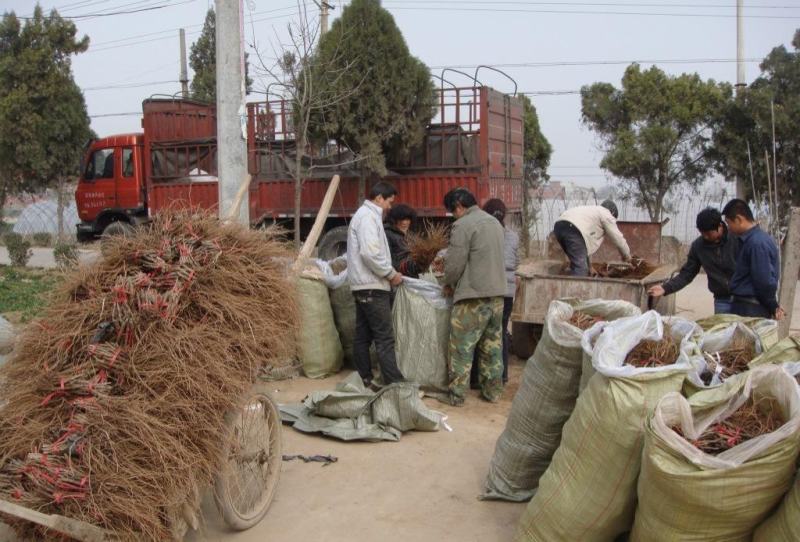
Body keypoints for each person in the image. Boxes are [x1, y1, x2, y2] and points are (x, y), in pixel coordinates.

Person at [442, 188, 507, 405]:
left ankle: (457, 396)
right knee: (492, 347)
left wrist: (448, 284)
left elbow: (454, 264)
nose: (454, 216)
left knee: (461, 347)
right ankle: (493, 392)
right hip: (497, 295)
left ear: (459, 206)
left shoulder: (463, 225)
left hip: (472, 296)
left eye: (453, 212)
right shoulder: (494, 223)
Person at [347, 181, 406, 388]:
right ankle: (395, 384)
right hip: (372, 285)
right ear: (379, 198)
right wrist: (390, 274)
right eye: (389, 201)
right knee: (384, 338)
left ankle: (365, 379)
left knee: (363, 335)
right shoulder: (367, 218)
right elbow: (370, 253)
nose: (390, 207)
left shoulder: (365, 216)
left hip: (363, 285)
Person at [648, 207, 739, 314]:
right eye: (702, 233)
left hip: (744, 299)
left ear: (720, 226)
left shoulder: (737, 238)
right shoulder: (698, 247)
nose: (705, 237)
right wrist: (665, 288)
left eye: (708, 234)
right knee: (724, 330)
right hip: (722, 300)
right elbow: (687, 274)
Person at [470, 199, 518, 387]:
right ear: (504, 214)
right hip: (507, 291)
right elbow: (516, 262)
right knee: (501, 332)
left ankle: (475, 379)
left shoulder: (483, 234)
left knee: (480, 333)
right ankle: (502, 375)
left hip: (489, 289)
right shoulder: (513, 236)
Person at [721, 198, 784, 320]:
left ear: (739, 219)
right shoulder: (750, 240)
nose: (729, 228)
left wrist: (771, 305)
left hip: (751, 308)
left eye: (729, 223)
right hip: (746, 305)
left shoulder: (757, 243)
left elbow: (763, 280)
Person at [552, 200, 631, 276]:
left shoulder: (592, 212)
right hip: (573, 229)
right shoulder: (606, 214)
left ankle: (568, 281)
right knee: (581, 268)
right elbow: (618, 238)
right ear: (612, 213)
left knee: (576, 263)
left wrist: (590, 267)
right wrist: (627, 256)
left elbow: (584, 244)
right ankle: (577, 289)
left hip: (559, 226)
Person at [384, 203, 421, 279]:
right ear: (393, 220)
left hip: (411, 277)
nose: (404, 222)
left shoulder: (411, 236)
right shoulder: (387, 234)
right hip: (397, 278)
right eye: (401, 219)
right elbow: (387, 259)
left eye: (407, 219)